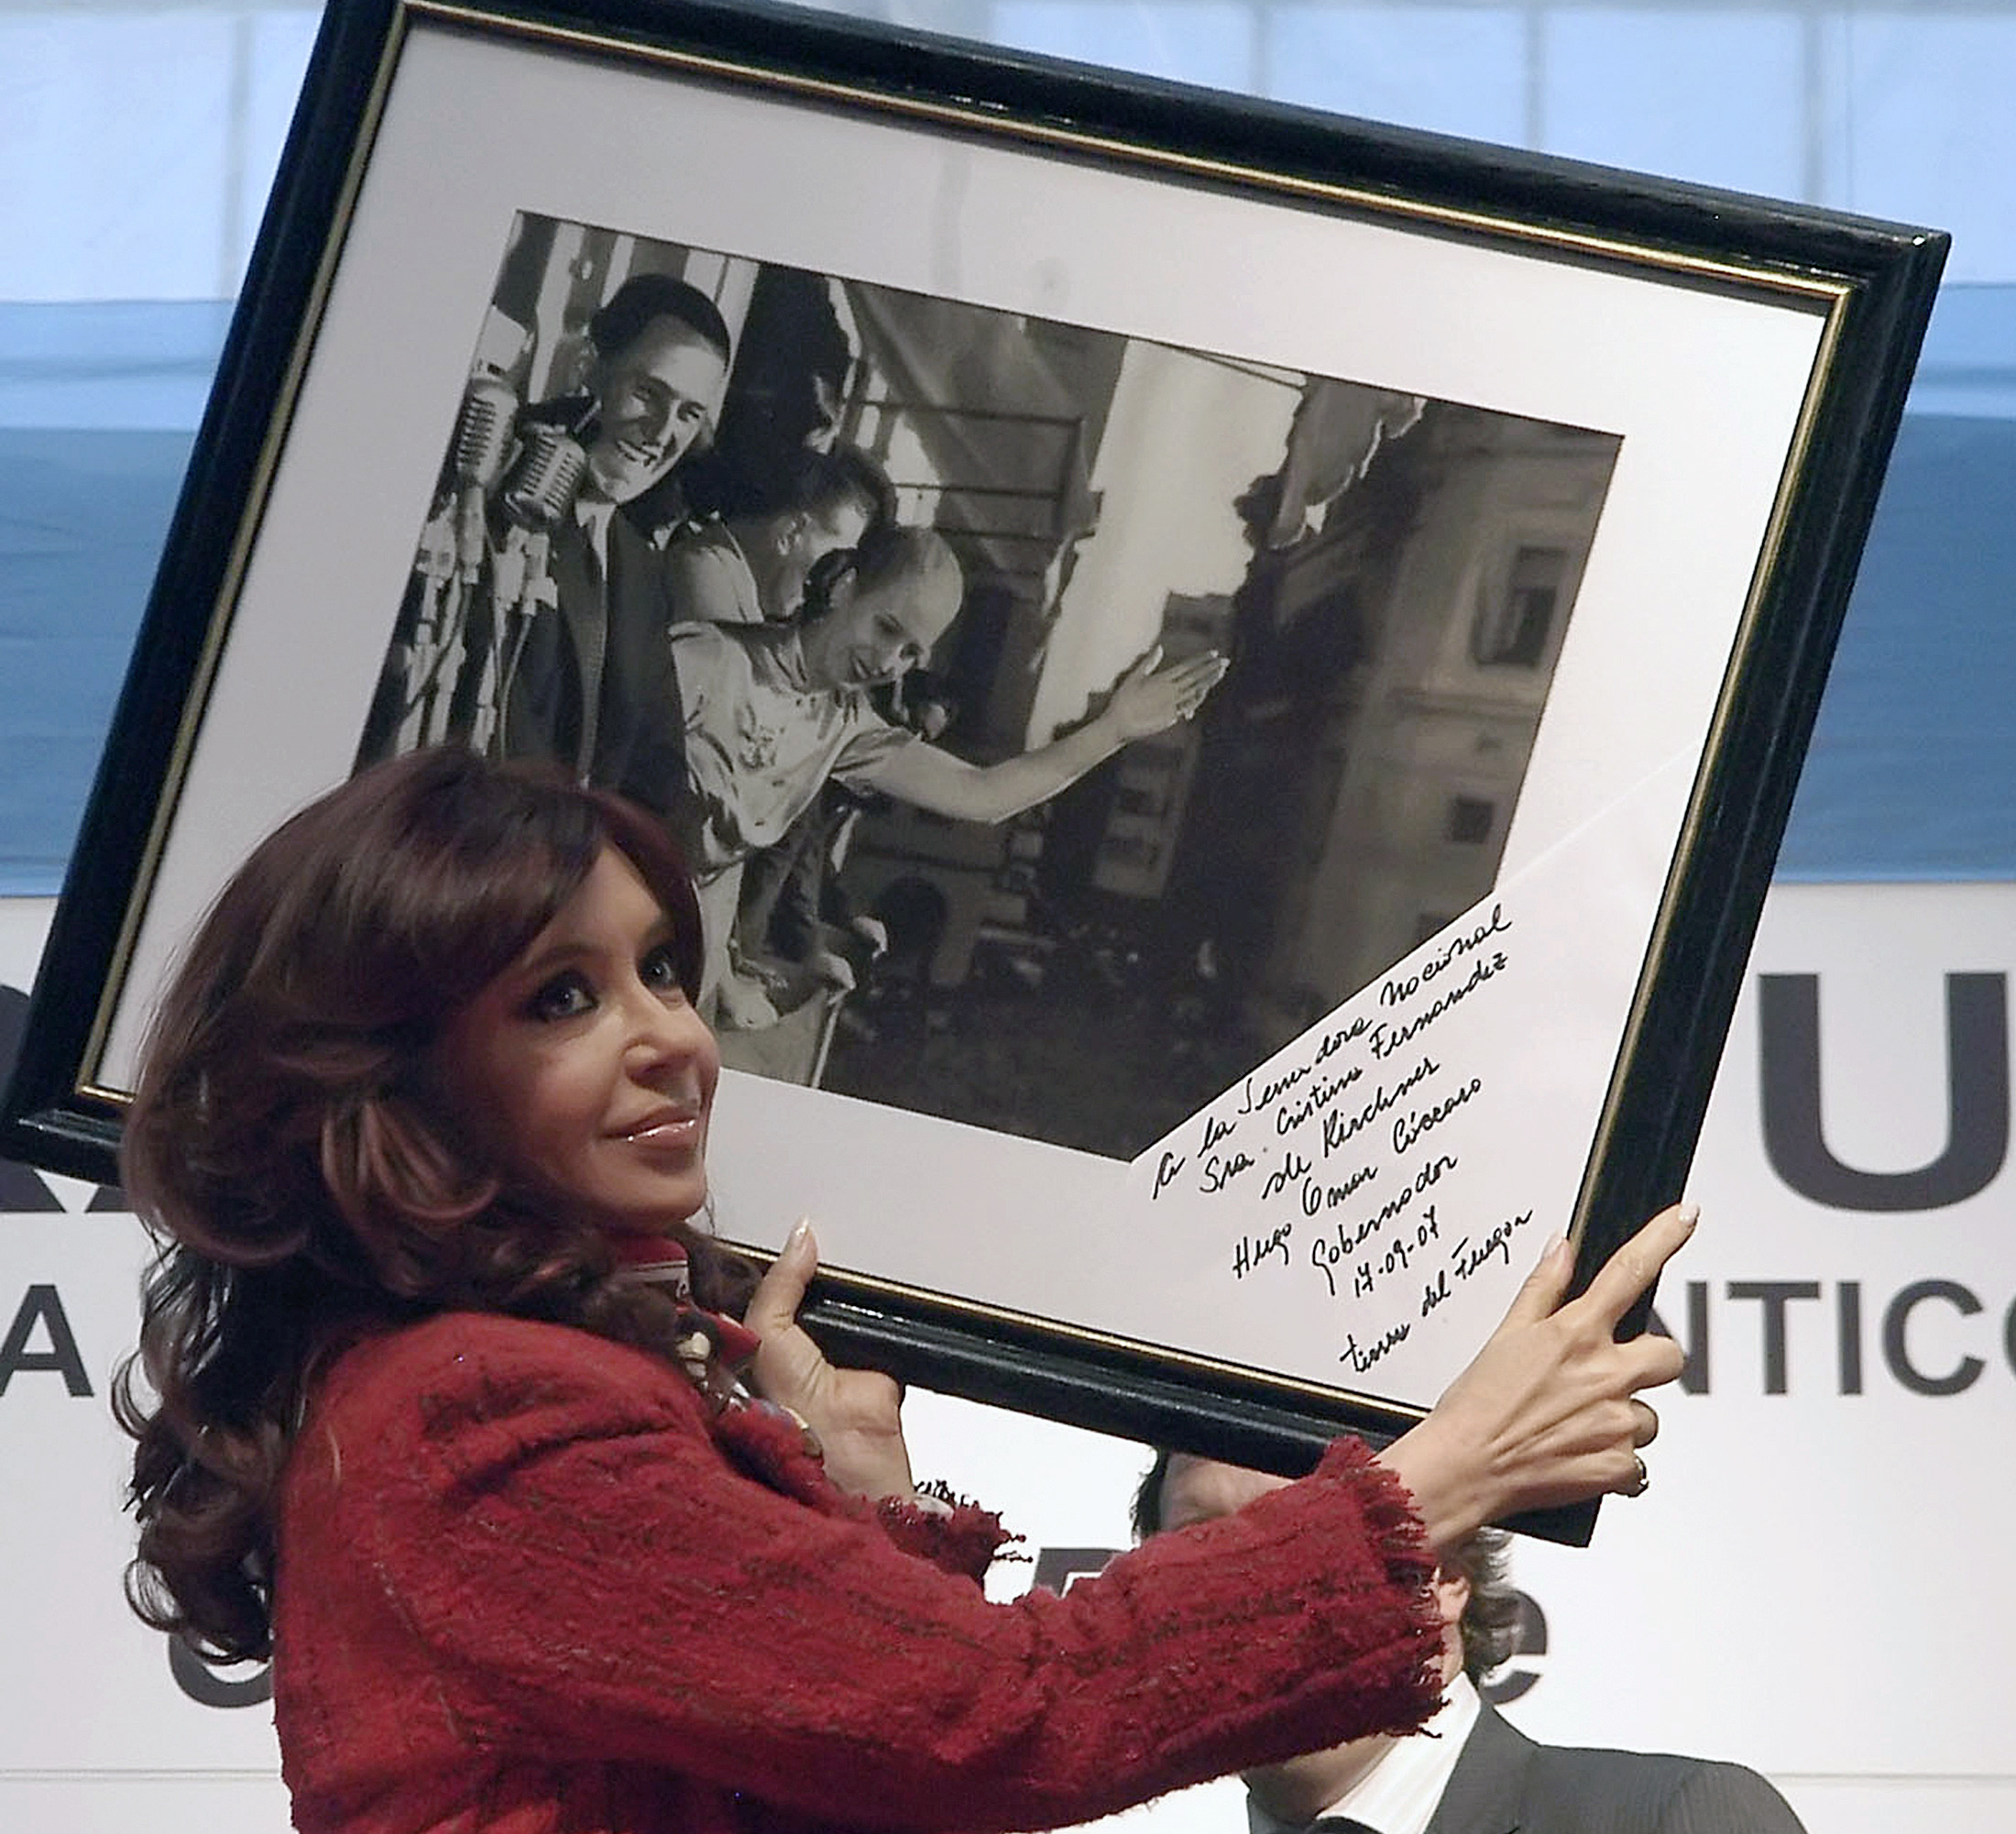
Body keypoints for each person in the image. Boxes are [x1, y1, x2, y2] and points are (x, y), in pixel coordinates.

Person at [115, 745, 1694, 1834]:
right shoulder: (476, 1407)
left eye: (662, 967)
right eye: (562, 997)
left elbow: (871, 1767)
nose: (674, 1038)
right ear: (394, 1080)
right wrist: (1441, 1471)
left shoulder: (490, 1385)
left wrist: (857, 1482)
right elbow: (1006, 1715)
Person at [668, 522, 1230, 1018]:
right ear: (843, 587)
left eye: (911, 653)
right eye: (886, 628)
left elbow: (982, 794)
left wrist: (1113, 730)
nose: (887, 663)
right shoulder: (709, 658)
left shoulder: (845, 728)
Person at [1137, 1451, 1808, 1834]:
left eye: (1299, 1533)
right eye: (1202, 1542)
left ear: (1443, 1578)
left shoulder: (1671, 1821)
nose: (1246, 1583)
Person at [358, 274, 733, 801]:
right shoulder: (482, 496)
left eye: (689, 414)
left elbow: (658, 768)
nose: (662, 432)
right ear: (588, 367)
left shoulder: (640, 567)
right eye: (648, 393)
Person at [663, 445, 896, 626]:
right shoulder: (707, 582)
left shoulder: (725, 579)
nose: (834, 577)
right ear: (791, 533)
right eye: (836, 556)